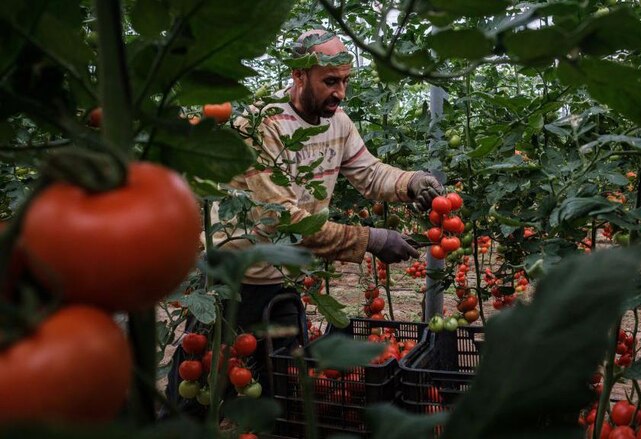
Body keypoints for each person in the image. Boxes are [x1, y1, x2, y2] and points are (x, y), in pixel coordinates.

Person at [162, 29, 443, 418]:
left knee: (283, 385)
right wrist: (370, 239)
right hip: (235, 277)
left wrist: (411, 182)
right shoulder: (263, 124)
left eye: (344, 81)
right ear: (298, 76)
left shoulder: (338, 122)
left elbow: (370, 172)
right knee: (202, 381)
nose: (340, 92)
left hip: (284, 275)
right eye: (330, 82)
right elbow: (284, 221)